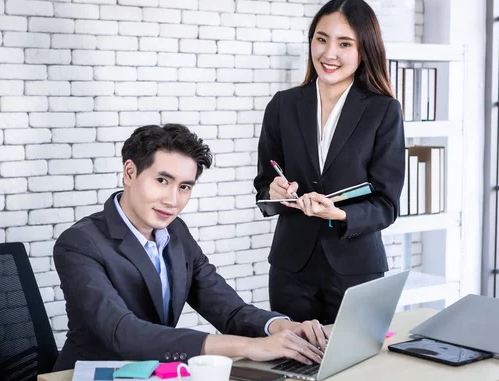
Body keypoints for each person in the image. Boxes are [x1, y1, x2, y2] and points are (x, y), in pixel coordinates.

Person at [53, 124, 330, 371]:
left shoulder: (176, 233)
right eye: (162, 180)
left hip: (152, 372)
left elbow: (230, 310)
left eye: (185, 186)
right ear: (130, 172)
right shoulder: (80, 243)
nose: (173, 200)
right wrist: (249, 347)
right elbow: (123, 332)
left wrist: (282, 327)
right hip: (91, 374)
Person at [253, 0, 405, 325]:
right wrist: (275, 191)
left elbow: (386, 204)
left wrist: (337, 213)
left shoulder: (383, 111)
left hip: (357, 270)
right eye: (321, 39)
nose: (329, 53)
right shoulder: (283, 106)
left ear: (364, 50)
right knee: (290, 366)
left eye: (344, 43)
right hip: (290, 270)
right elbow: (264, 184)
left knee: (356, 371)